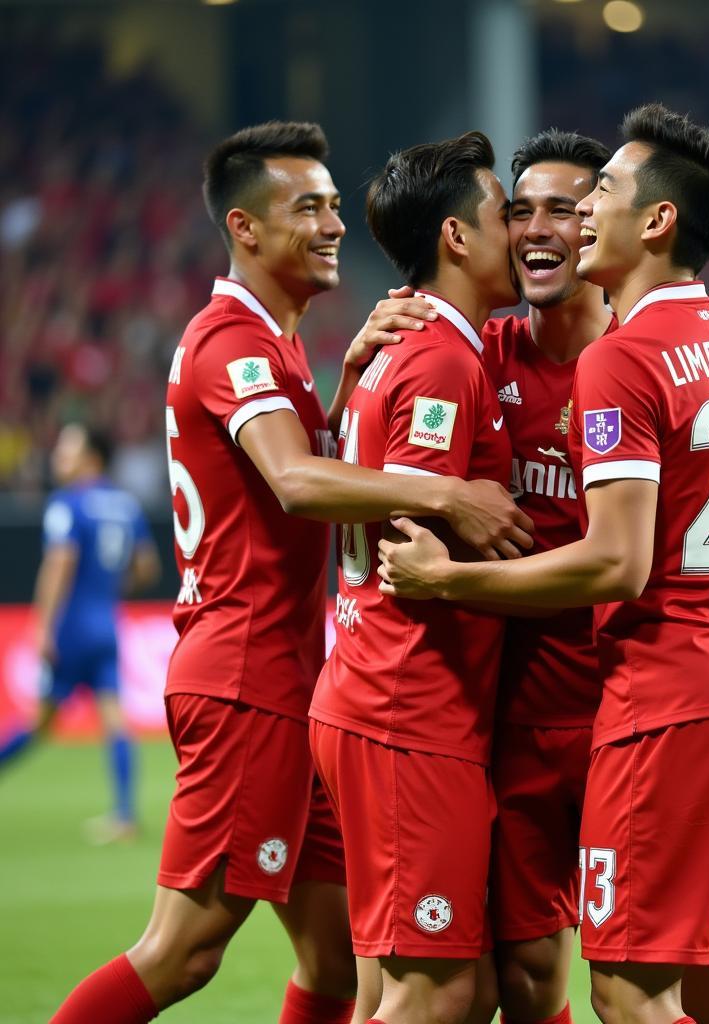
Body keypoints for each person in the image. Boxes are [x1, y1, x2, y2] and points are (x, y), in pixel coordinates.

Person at [377, 103, 709, 1024]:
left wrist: (445, 578)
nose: (544, 227)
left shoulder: (625, 358)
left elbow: (617, 561)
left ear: (644, 221)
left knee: (628, 992)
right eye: (517, 211)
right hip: (617, 704)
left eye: (584, 199)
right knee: (657, 988)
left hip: (656, 700)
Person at [50, 121, 530, 1024]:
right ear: (244, 228)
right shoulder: (231, 339)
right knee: (184, 949)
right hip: (246, 676)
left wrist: (345, 385)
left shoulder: (276, 346)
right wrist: (451, 498)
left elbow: (303, 472)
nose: (332, 224)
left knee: (335, 965)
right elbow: (299, 484)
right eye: (305, 208)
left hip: (300, 682)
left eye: (335, 206)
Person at [308, 130, 521, 1024]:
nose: (523, 231)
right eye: (505, 214)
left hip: (381, 697)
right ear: (458, 238)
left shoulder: (400, 342)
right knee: (434, 994)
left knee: (387, 988)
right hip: (407, 707)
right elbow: (410, 536)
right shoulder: (438, 356)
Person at [484, 128, 611, 1024]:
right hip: (514, 715)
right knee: (526, 979)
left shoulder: (653, 356)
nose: (535, 227)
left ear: (598, 224)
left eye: (560, 210)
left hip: (632, 715)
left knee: (651, 988)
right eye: (518, 210)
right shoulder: (474, 353)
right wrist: (350, 375)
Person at [0, 422, 159, 844]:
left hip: (71, 626)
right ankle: (125, 814)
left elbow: (59, 564)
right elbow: (147, 567)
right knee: (113, 719)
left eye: (67, 449)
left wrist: (42, 625)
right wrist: (108, 589)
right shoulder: (125, 505)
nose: (58, 457)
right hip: (106, 622)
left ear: (91, 457)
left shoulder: (68, 503)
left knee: (38, 722)